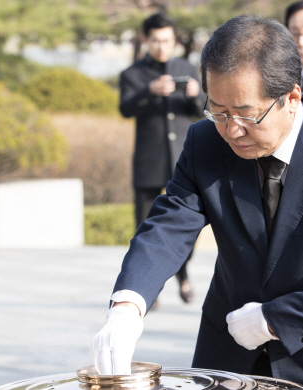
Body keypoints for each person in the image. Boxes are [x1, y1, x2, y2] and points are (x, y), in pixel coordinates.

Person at [91, 15, 303, 390]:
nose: (232, 130)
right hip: (232, 360)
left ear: (291, 98)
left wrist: (275, 319)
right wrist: (127, 307)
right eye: (218, 111)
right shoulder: (205, 142)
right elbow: (168, 226)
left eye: (247, 114)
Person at [118, 13, 205, 304]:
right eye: (155, 40)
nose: (161, 46)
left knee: (189, 224)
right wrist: (149, 91)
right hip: (149, 161)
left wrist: (197, 94)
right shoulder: (132, 74)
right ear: (145, 40)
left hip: (183, 161)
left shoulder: (187, 67)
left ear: (174, 40)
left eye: (167, 40)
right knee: (144, 228)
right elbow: (125, 109)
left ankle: (183, 275)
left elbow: (204, 110)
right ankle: (145, 289)